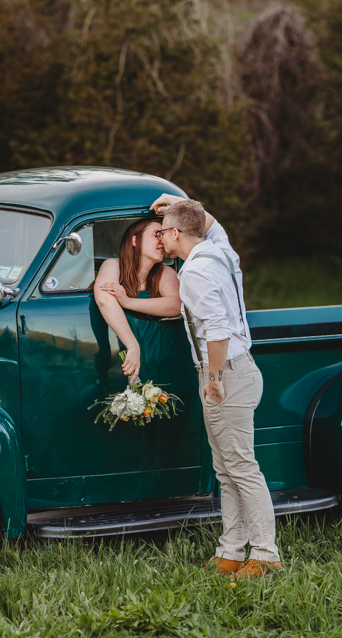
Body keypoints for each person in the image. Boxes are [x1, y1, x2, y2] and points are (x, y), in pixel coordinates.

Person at [150, 194, 283, 580]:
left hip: (225, 375)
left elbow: (217, 329)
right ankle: (230, 552)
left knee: (242, 468)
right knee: (227, 470)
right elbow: (209, 222)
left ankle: (266, 556)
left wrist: (214, 381)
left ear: (176, 233)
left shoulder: (193, 272)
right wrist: (182, 203)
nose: (160, 237)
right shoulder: (221, 250)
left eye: (163, 231)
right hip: (241, 369)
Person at [93, 219, 183, 384]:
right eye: (157, 234)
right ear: (135, 240)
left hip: (162, 363)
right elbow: (104, 298)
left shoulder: (164, 273)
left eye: (163, 236)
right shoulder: (113, 265)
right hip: (120, 359)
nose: (162, 241)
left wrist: (127, 302)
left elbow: (177, 305)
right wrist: (132, 346)